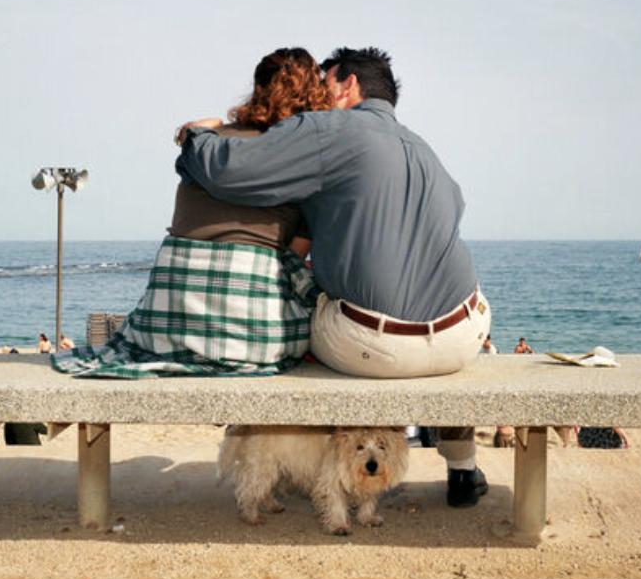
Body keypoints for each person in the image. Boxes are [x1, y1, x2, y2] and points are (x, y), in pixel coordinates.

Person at [177, 46, 490, 507]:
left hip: (375, 345)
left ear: (348, 86)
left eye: (324, 83)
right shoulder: (426, 151)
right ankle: (463, 466)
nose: (316, 96)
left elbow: (231, 172)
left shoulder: (329, 129)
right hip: (463, 337)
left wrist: (196, 139)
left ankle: (291, 454)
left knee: (302, 299)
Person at [56, 47, 332, 379]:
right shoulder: (305, 160)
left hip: (165, 325)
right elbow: (294, 257)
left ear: (257, 87)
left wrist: (198, 127)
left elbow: (191, 133)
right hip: (251, 340)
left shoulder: (208, 144)